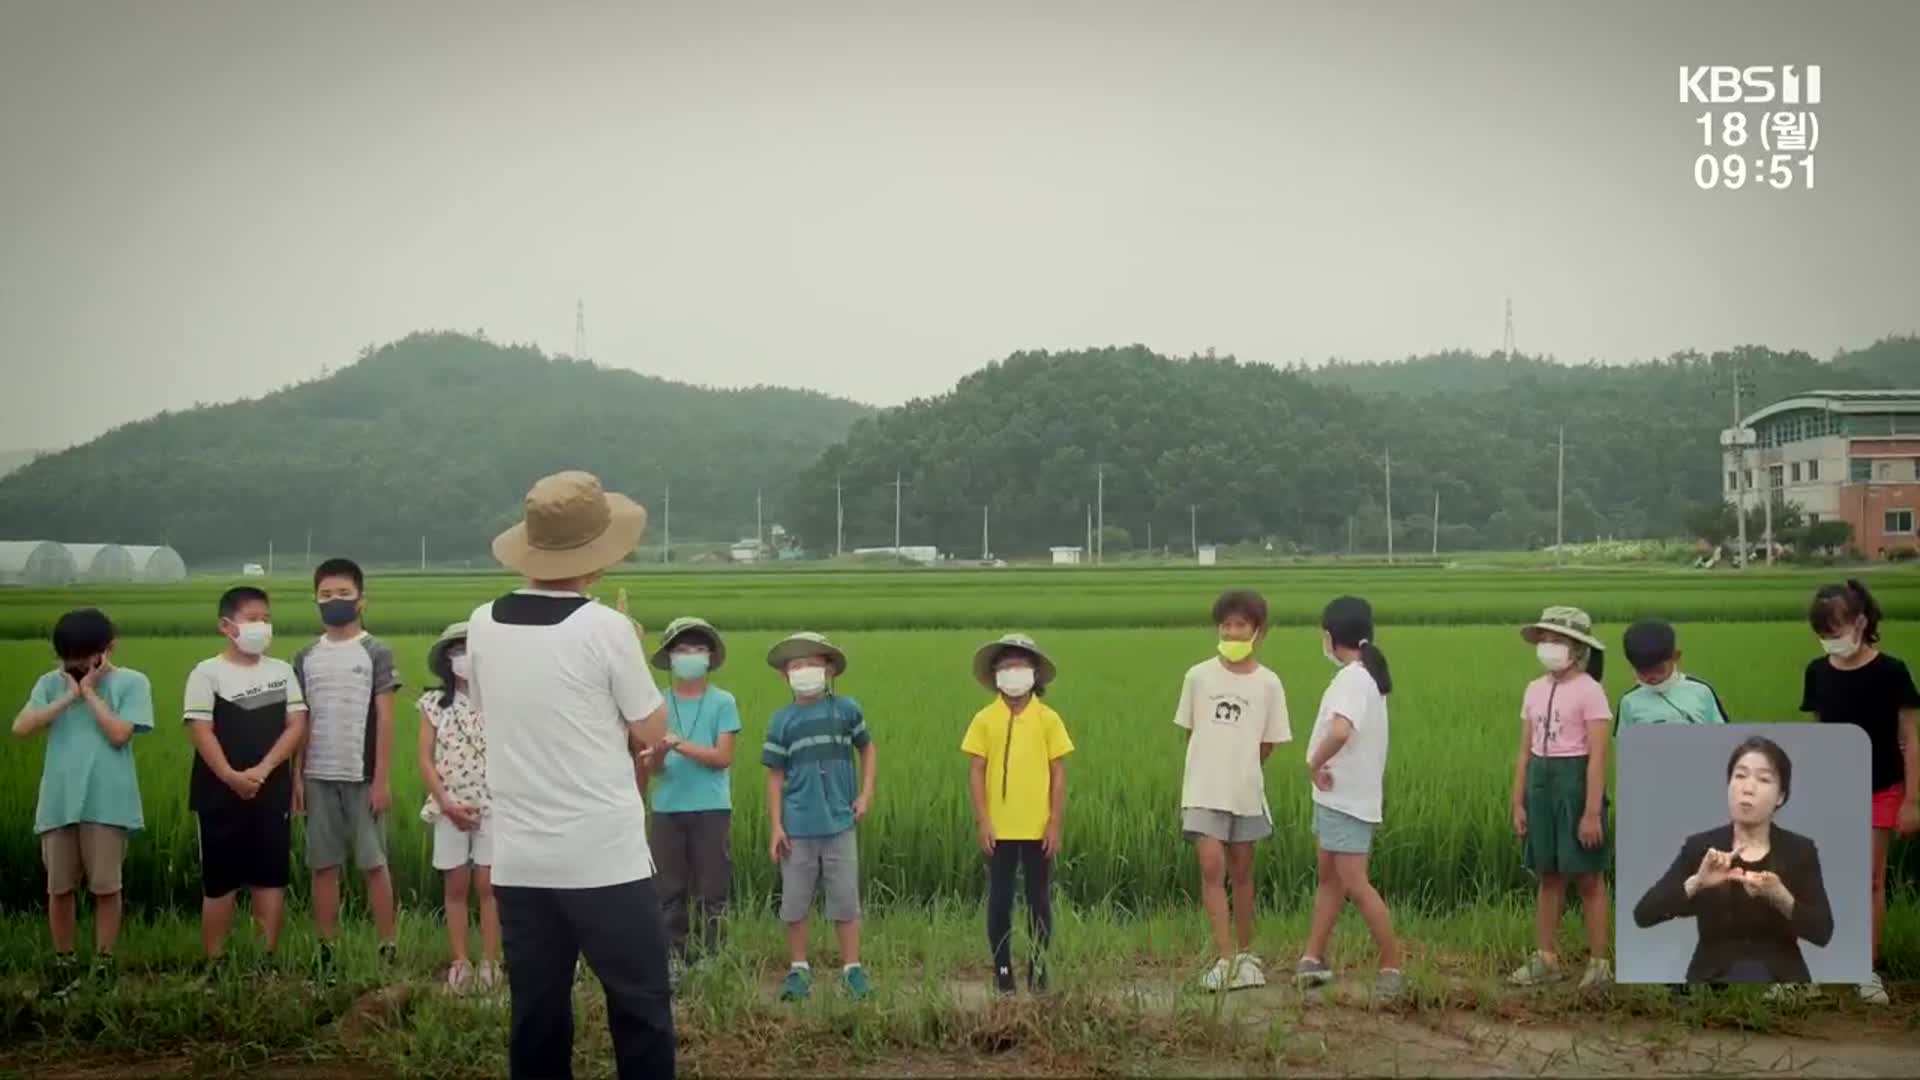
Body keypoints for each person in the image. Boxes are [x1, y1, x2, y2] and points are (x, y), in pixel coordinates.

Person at [467, 470, 673, 1078]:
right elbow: (653, 730)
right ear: (598, 555)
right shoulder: (604, 627)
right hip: (602, 859)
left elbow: (492, 706)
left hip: (521, 860)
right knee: (640, 1008)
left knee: (537, 1012)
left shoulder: (482, 622)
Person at [11, 608, 153, 997]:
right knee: (59, 887)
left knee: (107, 886)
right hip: (58, 800)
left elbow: (120, 734)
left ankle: (104, 962)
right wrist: (68, 695)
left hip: (107, 800)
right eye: (67, 656)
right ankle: (64, 961)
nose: (74, 665)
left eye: (83, 656)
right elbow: (21, 727)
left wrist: (89, 692)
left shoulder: (131, 683)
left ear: (107, 650)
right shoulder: (49, 684)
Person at [1800, 579, 1920, 1005]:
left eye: (1837, 631)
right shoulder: (1817, 673)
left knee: (1868, 879)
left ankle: (1864, 967)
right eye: (1824, 634)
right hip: (1831, 791)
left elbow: (1910, 739)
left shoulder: (1892, 672)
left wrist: (1912, 800)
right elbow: (1820, 736)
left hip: (1880, 788)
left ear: (1861, 622)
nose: (1831, 641)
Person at [1631, 736, 1833, 984]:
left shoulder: (1799, 851)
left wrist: (1781, 898)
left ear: (1780, 796)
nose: (1748, 788)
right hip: (1712, 979)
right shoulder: (1702, 848)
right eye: (1740, 776)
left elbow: (1823, 932)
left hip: (1781, 982)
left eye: (1763, 779)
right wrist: (1697, 883)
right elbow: (1643, 914)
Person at [185, 586, 308, 971]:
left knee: (269, 875)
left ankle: (265, 961)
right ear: (227, 625)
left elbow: (296, 725)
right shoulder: (207, 673)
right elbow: (201, 729)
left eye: (266, 619)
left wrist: (263, 770)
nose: (262, 626)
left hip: (271, 789)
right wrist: (230, 776)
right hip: (217, 793)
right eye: (253, 618)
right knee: (220, 880)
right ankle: (215, 962)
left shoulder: (281, 671)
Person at [291, 557, 402, 982]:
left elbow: (386, 717)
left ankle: (387, 945)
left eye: (343, 594)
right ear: (316, 600)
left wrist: (382, 777)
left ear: (361, 600)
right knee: (323, 864)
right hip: (318, 774)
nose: (334, 601)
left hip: (362, 775)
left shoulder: (375, 651)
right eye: (325, 595)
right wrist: (297, 777)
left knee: (374, 862)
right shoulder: (305, 657)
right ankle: (326, 950)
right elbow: (300, 722)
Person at [1175, 589, 1291, 992]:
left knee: (1242, 874)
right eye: (1226, 624)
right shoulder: (1198, 676)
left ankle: (1246, 956)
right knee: (1211, 868)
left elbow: (1269, 743)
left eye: (1240, 624)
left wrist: (1240, 768)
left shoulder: (1269, 684)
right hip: (1204, 790)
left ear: (1257, 631)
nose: (1232, 631)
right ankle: (1224, 958)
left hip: (1244, 793)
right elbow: (1192, 732)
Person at [1295, 597, 1404, 1002]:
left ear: (1329, 636)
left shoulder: (1353, 679)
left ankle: (1392, 965)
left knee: (1355, 884)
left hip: (1346, 801)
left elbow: (1340, 731)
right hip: (1336, 799)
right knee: (1330, 879)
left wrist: (1313, 763)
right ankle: (1313, 958)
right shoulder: (1362, 675)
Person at [763, 631, 877, 1002]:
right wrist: (776, 824)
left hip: (840, 823)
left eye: (813, 663)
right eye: (797, 665)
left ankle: (852, 969)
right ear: (785, 675)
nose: (805, 671)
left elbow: (867, 749)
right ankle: (799, 969)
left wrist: (865, 793)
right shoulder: (782, 721)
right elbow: (775, 775)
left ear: (829, 669)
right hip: (797, 826)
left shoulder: (847, 710)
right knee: (795, 901)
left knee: (845, 899)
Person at [961, 633, 1073, 995]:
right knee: (1000, 900)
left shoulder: (1048, 719)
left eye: (1021, 665)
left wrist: (1055, 822)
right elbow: (976, 771)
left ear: (1035, 673)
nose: (1013, 672)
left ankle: (1039, 969)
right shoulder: (984, 719)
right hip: (999, 829)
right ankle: (1003, 970)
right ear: (995, 674)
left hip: (1038, 827)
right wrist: (983, 821)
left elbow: (1058, 772)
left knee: (1039, 900)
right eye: (1006, 666)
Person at [1509, 605, 1613, 989]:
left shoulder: (1591, 692)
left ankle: (1599, 963)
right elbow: (1524, 751)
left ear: (1578, 649)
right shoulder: (1535, 689)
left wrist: (1590, 812)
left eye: (1558, 641)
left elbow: (1598, 757)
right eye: (1545, 640)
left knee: (1588, 877)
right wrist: (1518, 802)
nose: (1548, 647)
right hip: (1540, 782)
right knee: (1548, 876)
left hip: (1575, 783)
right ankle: (1546, 958)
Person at [638, 616, 742, 981]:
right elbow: (653, 768)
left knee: (713, 889)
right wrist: (662, 752)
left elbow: (722, 757)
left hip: (711, 808)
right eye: (683, 649)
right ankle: (674, 959)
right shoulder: (658, 705)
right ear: (670, 657)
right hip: (667, 808)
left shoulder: (723, 702)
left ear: (710, 656)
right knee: (669, 891)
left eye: (698, 649)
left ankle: (714, 958)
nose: (690, 656)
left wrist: (679, 744)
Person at [417, 621, 499, 992]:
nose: (463, 659)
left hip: (494, 805)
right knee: (456, 884)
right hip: (447, 805)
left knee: (489, 884)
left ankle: (490, 963)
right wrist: (446, 802)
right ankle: (460, 961)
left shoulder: (501, 701)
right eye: (456, 653)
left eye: (469, 651)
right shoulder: (434, 704)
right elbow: (424, 759)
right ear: (447, 662)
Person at [1616, 620, 1730, 730]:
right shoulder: (1629, 701)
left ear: (1675, 657)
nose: (1651, 677)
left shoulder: (1702, 691)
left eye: (1659, 670)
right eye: (1642, 671)